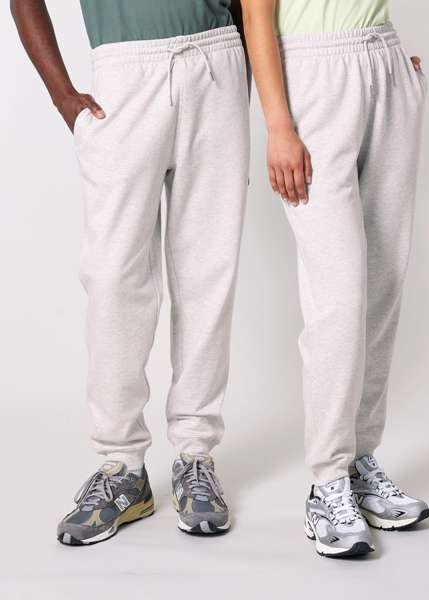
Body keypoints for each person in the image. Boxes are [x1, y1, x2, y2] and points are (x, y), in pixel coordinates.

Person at [11, 0, 249, 545]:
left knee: (207, 273)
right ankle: (122, 466)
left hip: (216, 60)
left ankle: (195, 455)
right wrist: (62, 96)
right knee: (112, 276)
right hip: (124, 72)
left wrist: (241, 80)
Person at [242, 0, 429, 557]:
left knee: (383, 284)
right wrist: (278, 124)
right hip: (313, 75)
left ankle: (359, 462)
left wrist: (394, 73)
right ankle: (327, 481)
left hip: (383, 58)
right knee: (339, 297)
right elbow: (256, 15)